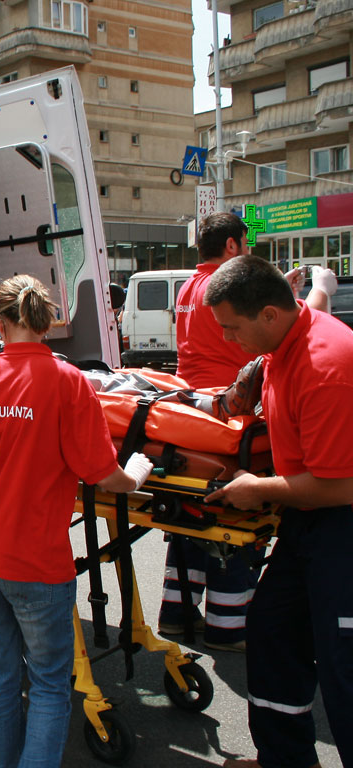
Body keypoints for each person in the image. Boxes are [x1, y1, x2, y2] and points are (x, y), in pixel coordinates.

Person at [0, 275, 153, 768]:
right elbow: (100, 473)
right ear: (46, 322)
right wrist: (134, 474)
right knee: (48, 684)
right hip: (35, 560)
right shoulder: (69, 383)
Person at [157, 212, 337, 652]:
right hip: (231, 415)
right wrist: (314, 293)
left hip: (191, 411)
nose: (230, 333)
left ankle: (177, 612)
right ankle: (227, 625)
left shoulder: (189, 288)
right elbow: (267, 332)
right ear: (234, 246)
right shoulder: (230, 291)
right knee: (232, 519)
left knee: (189, 518)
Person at [201, 256, 353, 768]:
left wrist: (258, 487)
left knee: (344, 668)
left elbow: (340, 486)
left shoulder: (325, 367)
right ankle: (284, 760)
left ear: (268, 314)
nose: (227, 341)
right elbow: (314, 300)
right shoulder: (284, 336)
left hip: (342, 520)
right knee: (272, 631)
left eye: (232, 329)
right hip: (309, 520)